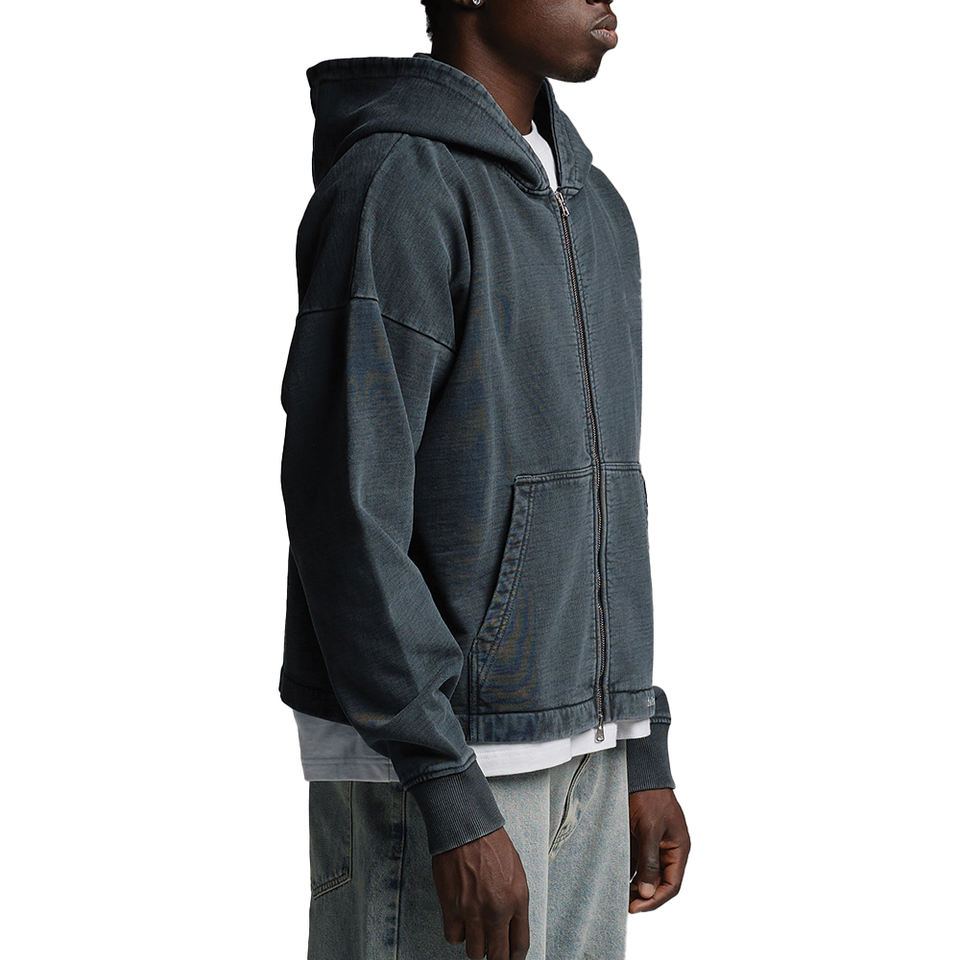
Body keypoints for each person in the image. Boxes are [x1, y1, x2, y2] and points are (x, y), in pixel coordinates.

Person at [278, 1, 691, 957]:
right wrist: (445, 783)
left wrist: (638, 741)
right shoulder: (397, 186)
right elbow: (345, 511)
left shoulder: (596, 207)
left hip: (582, 748)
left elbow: (609, 496)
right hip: (438, 765)